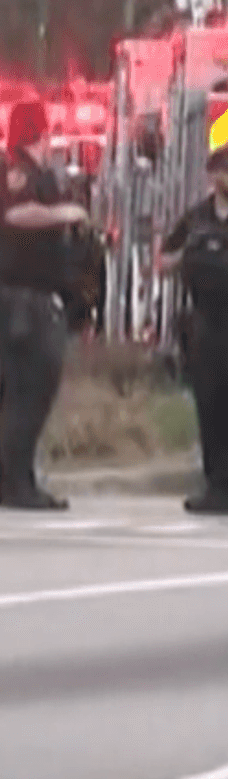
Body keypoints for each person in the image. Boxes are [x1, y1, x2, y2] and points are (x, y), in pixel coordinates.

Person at [0, 99, 87, 511]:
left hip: (34, 296)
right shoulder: (16, 171)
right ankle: (15, 484)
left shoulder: (38, 172)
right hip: (19, 298)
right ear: (37, 133)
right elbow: (16, 215)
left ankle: (17, 480)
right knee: (29, 389)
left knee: (24, 391)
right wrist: (65, 213)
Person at [158, 133, 228, 515]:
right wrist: (191, 252)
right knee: (210, 406)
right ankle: (215, 487)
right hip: (205, 323)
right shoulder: (197, 218)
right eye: (220, 171)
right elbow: (163, 261)